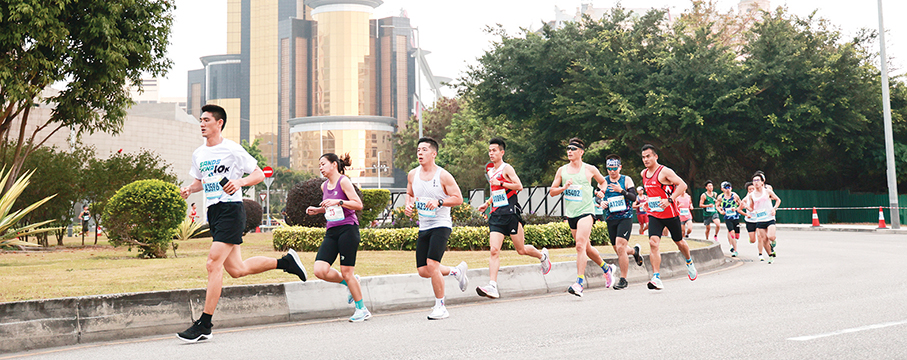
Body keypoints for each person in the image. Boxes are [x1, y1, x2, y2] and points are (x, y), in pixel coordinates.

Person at [177, 104, 307, 342]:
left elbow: (258, 174)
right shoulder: (199, 154)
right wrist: (189, 188)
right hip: (214, 212)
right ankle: (286, 262)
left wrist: (239, 182)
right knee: (237, 269)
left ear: (219, 123)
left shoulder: (232, 149)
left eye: (206, 120)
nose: (202, 124)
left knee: (212, 263)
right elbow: (201, 182)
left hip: (231, 210)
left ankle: (204, 324)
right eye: (201, 120)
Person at [476, 138, 551, 299]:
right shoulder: (490, 171)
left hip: (510, 214)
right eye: (489, 151)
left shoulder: (506, 168)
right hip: (496, 215)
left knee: (521, 249)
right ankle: (493, 286)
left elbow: (519, 186)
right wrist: (487, 203)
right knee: (494, 250)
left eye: (494, 150)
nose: (491, 153)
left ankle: (542, 256)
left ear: (502, 152)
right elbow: (496, 192)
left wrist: (502, 183)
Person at [404, 137, 468, 319]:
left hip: (441, 225)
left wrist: (440, 201)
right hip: (424, 226)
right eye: (418, 150)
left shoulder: (443, 176)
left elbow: (458, 198)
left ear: (434, 154)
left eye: (424, 150)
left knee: (433, 265)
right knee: (424, 270)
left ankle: (441, 306)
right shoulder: (412, 175)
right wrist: (408, 205)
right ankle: (456, 271)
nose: (420, 153)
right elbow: (409, 193)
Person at [305, 153, 371, 322]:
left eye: (323, 164)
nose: (320, 168)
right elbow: (330, 207)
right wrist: (318, 210)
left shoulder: (344, 181)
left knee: (346, 271)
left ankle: (361, 309)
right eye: (319, 165)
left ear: (334, 164)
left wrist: (339, 201)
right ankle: (350, 283)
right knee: (320, 270)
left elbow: (358, 204)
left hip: (348, 230)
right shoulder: (324, 186)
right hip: (332, 231)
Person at [549, 138, 617, 297]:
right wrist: (563, 188)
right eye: (568, 149)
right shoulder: (562, 170)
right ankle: (607, 268)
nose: (569, 151)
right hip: (571, 214)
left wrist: (601, 192)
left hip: (586, 212)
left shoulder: (589, 169)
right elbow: (552, 191)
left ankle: (579, 283)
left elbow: (603, 182)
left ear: (581, 152)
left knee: (579, 245)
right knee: (585, 247)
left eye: (573, 149)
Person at [640, 144, 697, 290]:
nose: (645, 159)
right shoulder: (643, 174)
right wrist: (647, 201)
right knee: (653, 243)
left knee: (679, 242)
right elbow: (651, 192)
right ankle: (656, 277)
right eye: (643, 157)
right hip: (654, 214)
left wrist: (669, 200)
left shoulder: (664, 171)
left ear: (655, 157)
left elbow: (682, 185)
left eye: (648, 156)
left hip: (671, 214)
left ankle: (689, 262)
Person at [598, 154, 644, 290]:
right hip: (611, 218)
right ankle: (635, 251)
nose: (612, 171)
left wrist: (621, 191)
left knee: (620, 247)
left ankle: (623, 279)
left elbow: (634, 198)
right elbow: (597, 197)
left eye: (615, 168)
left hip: (625, 217)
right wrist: (602, 202)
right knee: (619, 249)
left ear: (620, 167)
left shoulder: (626, 179)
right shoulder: (603, 181)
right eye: (609, 168)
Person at [744, 173, 781, 264]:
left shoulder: (767, 191)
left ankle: (773, 241)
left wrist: (774, 208)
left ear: (762, 182)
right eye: (754, 181)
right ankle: (770, 255)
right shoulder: (751, 195)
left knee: (771, 236)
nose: (756, 183)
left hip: (769, 217)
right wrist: (746, 207)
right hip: (760, 219)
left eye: (758, 180)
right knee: (764, 239)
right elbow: (751, 208)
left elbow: (778, 200)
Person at [716, 181, 742, 257]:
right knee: (732, 232)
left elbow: (741, 205)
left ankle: (733, 243)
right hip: (727, 217)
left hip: (735, 217)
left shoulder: (735, 196)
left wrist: (736, 208)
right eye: (726, 188)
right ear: (722, 189)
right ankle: (735, 250)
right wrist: (721, 211)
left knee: (737, 235)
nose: (728, 189)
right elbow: (717, 206)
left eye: (729, 187)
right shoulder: (721, 197)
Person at [740, 182, 763, 260]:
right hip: (750, 221)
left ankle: (760, 254)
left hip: (759, 220)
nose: (752, 190)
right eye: (750, 189)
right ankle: (751, 239)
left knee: (760, 237)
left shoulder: (760, 197)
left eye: (753, 188)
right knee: (753, 240)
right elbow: (739, 209)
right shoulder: (746, 199)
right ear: (747, 191)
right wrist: (747, 215)